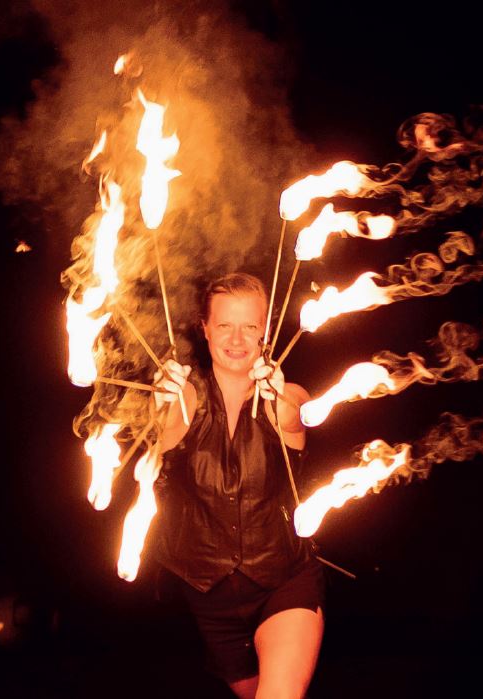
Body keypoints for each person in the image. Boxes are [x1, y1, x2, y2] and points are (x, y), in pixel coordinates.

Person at [153, 272, 325, 699]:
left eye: (250, 326)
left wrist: (278, 396)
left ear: (265, 332)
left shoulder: (287, 394)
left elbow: (294, 415)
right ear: (205, 328)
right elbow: (167, 428)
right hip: (210, 600)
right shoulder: (186, 396)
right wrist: (163, 401)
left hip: (284, 582)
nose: (236, 338)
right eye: (225, 324)